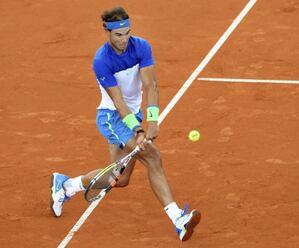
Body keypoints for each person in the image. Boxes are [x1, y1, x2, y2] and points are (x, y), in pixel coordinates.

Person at [50, 6, 200, 241]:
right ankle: (178, 219)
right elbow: (118, 101)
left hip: (135, 115)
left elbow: (151, 86)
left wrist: (152, 120)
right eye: (118, 35)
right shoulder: (102, 61)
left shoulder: (141, 46)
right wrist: (139, 130)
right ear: (107, 32)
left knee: (118, 180)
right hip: (112, 117)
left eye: (127, 33)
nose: (124, 40)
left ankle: (67, 186)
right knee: (153, 157)